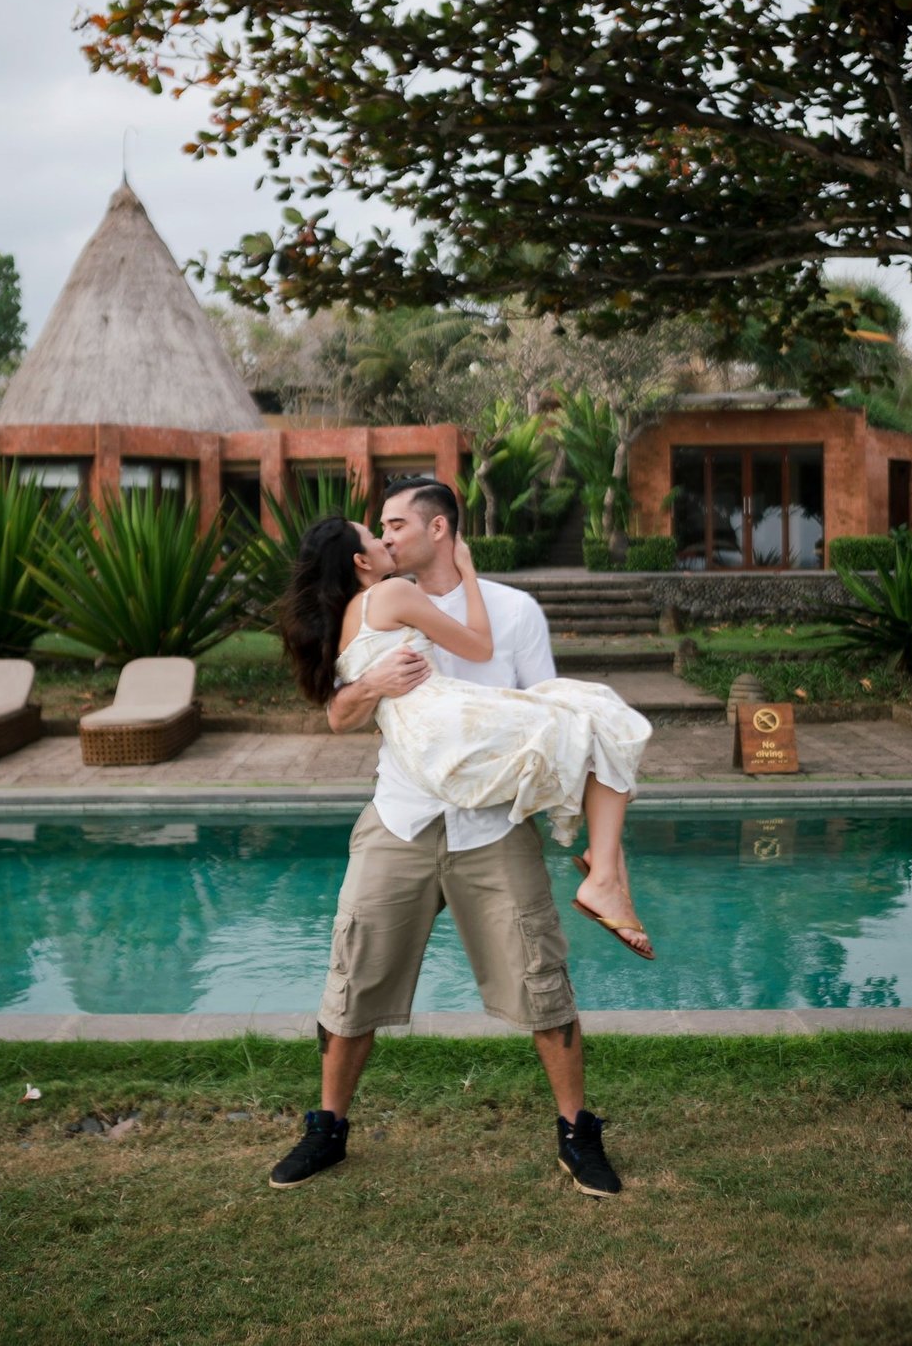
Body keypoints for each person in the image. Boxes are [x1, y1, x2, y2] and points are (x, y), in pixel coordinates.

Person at [269, 477, 651, 1197]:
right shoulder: (376, 604)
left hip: (493, 826)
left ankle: (577, 1130)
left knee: (542, 976)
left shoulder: (514, 610)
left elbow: (544, 708)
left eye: (393, 524)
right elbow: (338, 715)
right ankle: (327, 1127)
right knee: (354, 975)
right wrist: (376, 682)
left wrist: (556, 802)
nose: (383, 537)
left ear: (437, 529)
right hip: (401, 817)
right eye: (375, 530)